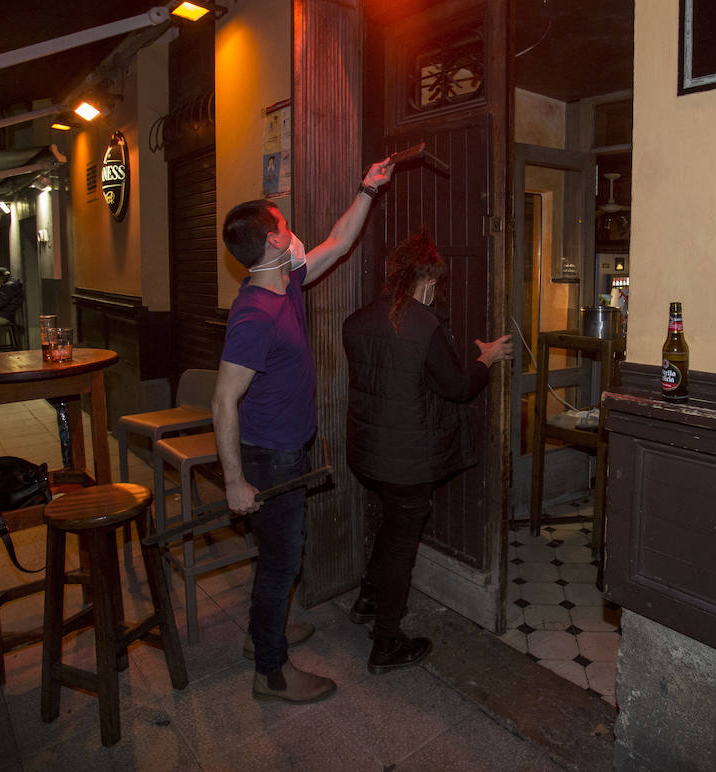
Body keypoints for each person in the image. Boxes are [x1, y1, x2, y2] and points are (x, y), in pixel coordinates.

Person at [212, 156, 396, 704]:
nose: (294, 232)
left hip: (288, 449)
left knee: (276, 558)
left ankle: (260, 634)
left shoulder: (283, 283)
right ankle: (270, 671)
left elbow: (337, 244)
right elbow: (223, 402)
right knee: (281, 564)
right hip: (268, 457)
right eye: (284, 225)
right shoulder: (253, 316)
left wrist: (368, 186)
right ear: (271, 243)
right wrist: (233, 481)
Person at [340, 232, 513, 673]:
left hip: (368, 455)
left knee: (391, 527)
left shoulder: (357, 320)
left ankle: (367, 598)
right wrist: (486, 360)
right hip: (407, 462)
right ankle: (386, 642)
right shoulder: (423, 325)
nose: (436, 291)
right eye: (435, 283)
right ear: (426, 279)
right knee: (401, 546)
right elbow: (456, 387)